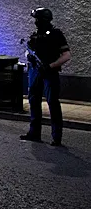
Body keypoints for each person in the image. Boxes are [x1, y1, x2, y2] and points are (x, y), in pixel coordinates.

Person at [20, 8, 71, 146]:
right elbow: (27, 52)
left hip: (50, 72)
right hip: (35, 72)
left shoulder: (56, 34)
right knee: (34, 102)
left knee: (53, 103)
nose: (35, 22)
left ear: (44, 20)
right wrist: (29, 56)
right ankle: (34, 133)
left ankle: (56, 137)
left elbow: (66, 55)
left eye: (37, 19)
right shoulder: (35, 35)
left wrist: (51, 65)